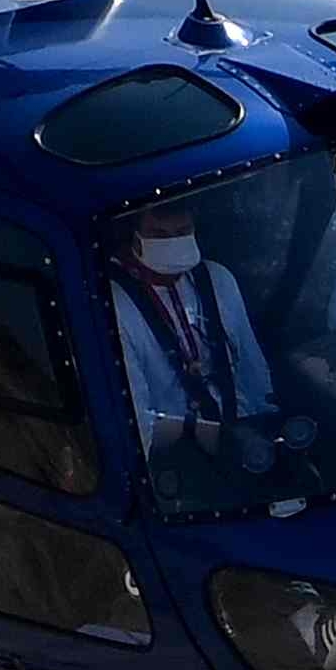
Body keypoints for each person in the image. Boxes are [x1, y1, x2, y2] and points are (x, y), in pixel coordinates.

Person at [105, 197, 278, 472]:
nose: (173, 243)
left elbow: (253, 370)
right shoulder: (115, 305)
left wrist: (266, 428)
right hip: (175, 459)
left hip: (246, 438)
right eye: (160, 235)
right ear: (133, 237)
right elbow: (136, 419)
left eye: (182, 232)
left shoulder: (219, 279)